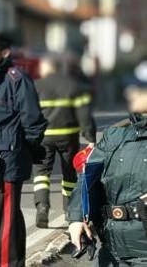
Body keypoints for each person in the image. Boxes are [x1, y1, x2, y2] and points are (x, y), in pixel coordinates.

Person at [0, 33, 48, 267]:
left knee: (6, 217)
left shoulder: (15, 79)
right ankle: (15, 262)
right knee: (8, 216)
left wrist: (30, 149)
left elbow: (33, 120)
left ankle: (5, 264)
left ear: (4, 52)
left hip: (6, 159)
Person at [67, 59, 147, 266]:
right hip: (111, 250)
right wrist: (77, 217)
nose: (130, 93)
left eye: (138, 88)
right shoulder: (115, 134)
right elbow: (88, 179)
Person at [33, 55, 96, 228]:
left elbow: (29, 113)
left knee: (41, 174)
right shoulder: (72, 85)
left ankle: (42, 207)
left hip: (44, 137)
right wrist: (90, 138)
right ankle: (69, 211)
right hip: (69, 137)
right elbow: (84, 113)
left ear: (45, 68)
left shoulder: (37, 86)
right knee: (69, 174)